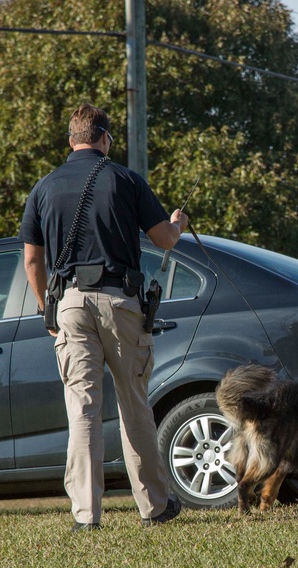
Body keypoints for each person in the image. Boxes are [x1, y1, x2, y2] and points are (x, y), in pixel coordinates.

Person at [19, 103, 189, 532]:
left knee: (83, 409)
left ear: (71, 141)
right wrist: (178, 223)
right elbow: (164, 240)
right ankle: (154, 506)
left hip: (70, 304)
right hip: (120, 300)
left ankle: (86, 516)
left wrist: (47, 310)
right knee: (134, 404)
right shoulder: (125, 179)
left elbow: (33, 260)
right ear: (105, 138)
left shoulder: (44, 188)